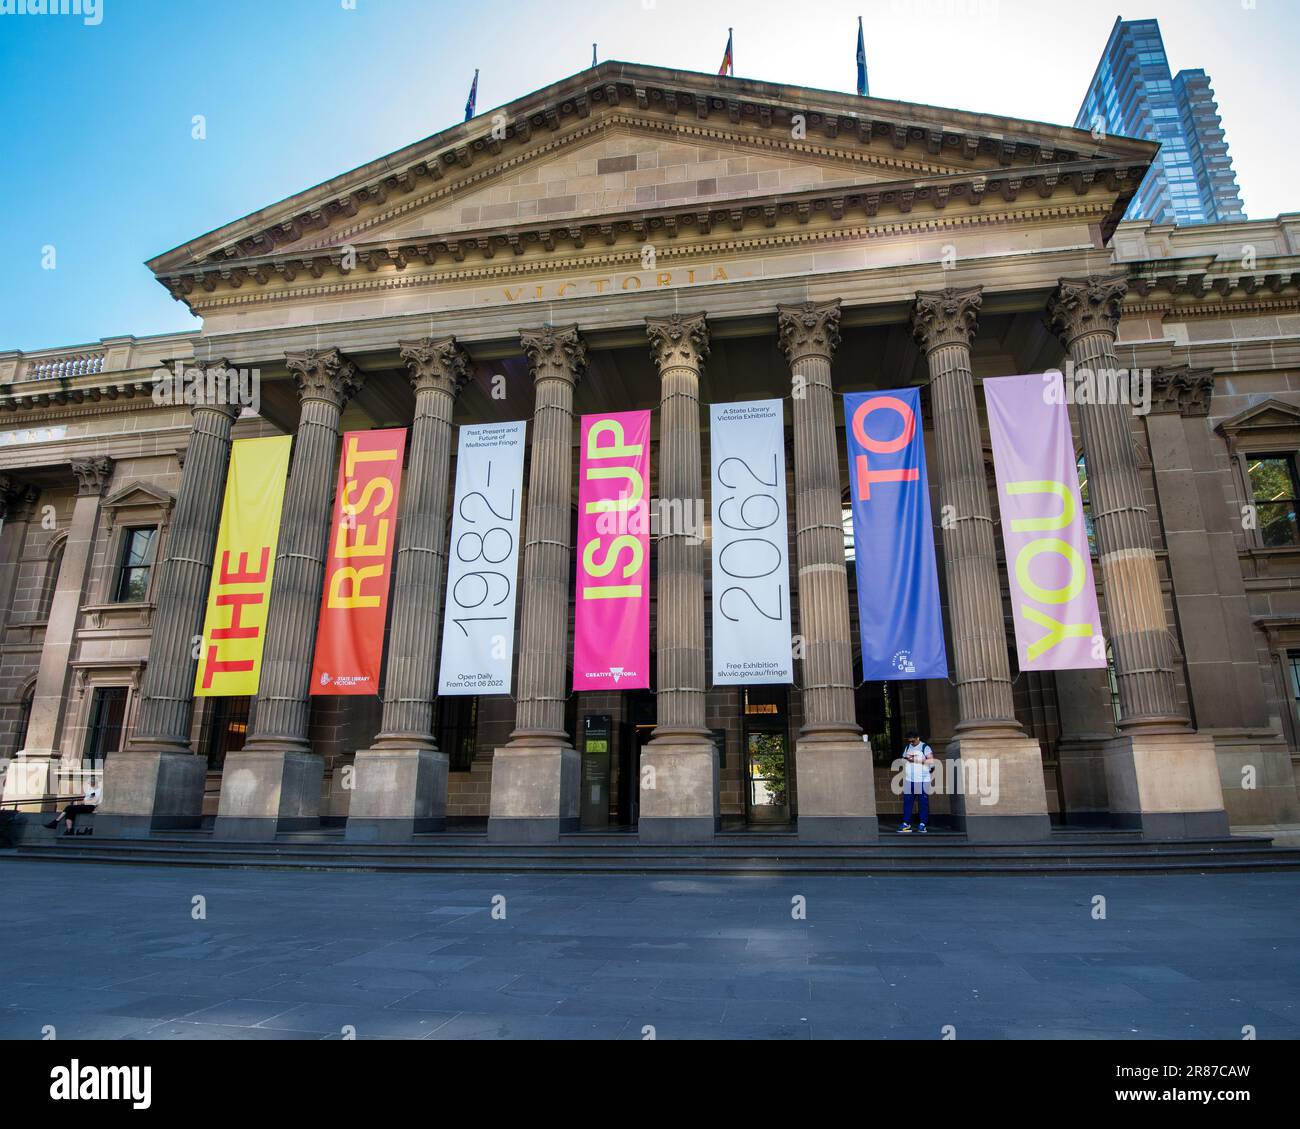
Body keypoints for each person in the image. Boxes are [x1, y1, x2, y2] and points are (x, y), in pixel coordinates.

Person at [898, 730, 934, 835]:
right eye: (910, 741)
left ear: (918, 738)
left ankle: (923, 824)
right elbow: (904, 759)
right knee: (908, 801)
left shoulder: (925, 747)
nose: (911, 743)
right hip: (910, 779)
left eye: (913, 741)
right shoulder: (908, 747)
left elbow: (931, 761)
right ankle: (906, 823)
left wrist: (915, 760)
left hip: (922, 779)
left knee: (923, 802)